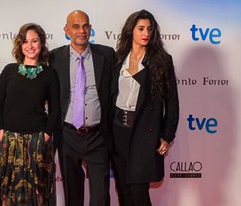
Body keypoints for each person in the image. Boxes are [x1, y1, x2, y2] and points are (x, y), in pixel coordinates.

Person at [110, 9, 179, 206]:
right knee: (124, 191)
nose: (146, 33)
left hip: (144, 134)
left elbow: (172, 102)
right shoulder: (117, 58)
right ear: (131, 30)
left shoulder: (161, 61)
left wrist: (167, 135)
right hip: (118, 132)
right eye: (141, 28)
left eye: (149, 29)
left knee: (139, 193)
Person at [49, 10, 115, 206]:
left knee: (100, 196)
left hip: (98, 136)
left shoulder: (107, 54)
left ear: (90, 29)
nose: (81, 31)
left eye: (85, 26)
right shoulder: (54, 57)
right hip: (67, 135)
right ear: (66, 30)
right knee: (72, 194)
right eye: (76, 26)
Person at [0, 23, 60, 206]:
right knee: (9, 195)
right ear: (19, 45)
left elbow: (55, 109)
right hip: (10, 141)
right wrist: (1, 132)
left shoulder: (49, 73)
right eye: (25, 41)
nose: (30, 46)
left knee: (39, 194)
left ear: (42, 44)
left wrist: (45, 136)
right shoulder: (9, 70)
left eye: (34, 41)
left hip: (38, 142)